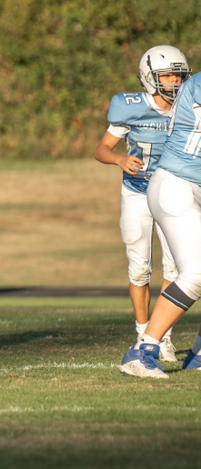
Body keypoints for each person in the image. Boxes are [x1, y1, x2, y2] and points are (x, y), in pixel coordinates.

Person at [95, 45, 185, 362]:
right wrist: (120, 159)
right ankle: (142, 333)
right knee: (140, 268)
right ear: (150, 77)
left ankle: (163, 338)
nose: (174, 82)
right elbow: (102, 149)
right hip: (136, 192)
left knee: (175, 267)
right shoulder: (129, 106)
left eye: (178, 75)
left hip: (174, 193)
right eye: (167, 75)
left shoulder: (189, 105)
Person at [119, 49, 201, 378]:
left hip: (190, 186)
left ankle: (197, 354)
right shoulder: (197, 85)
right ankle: (143, 350)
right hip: (176, 184)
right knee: (196, 272)